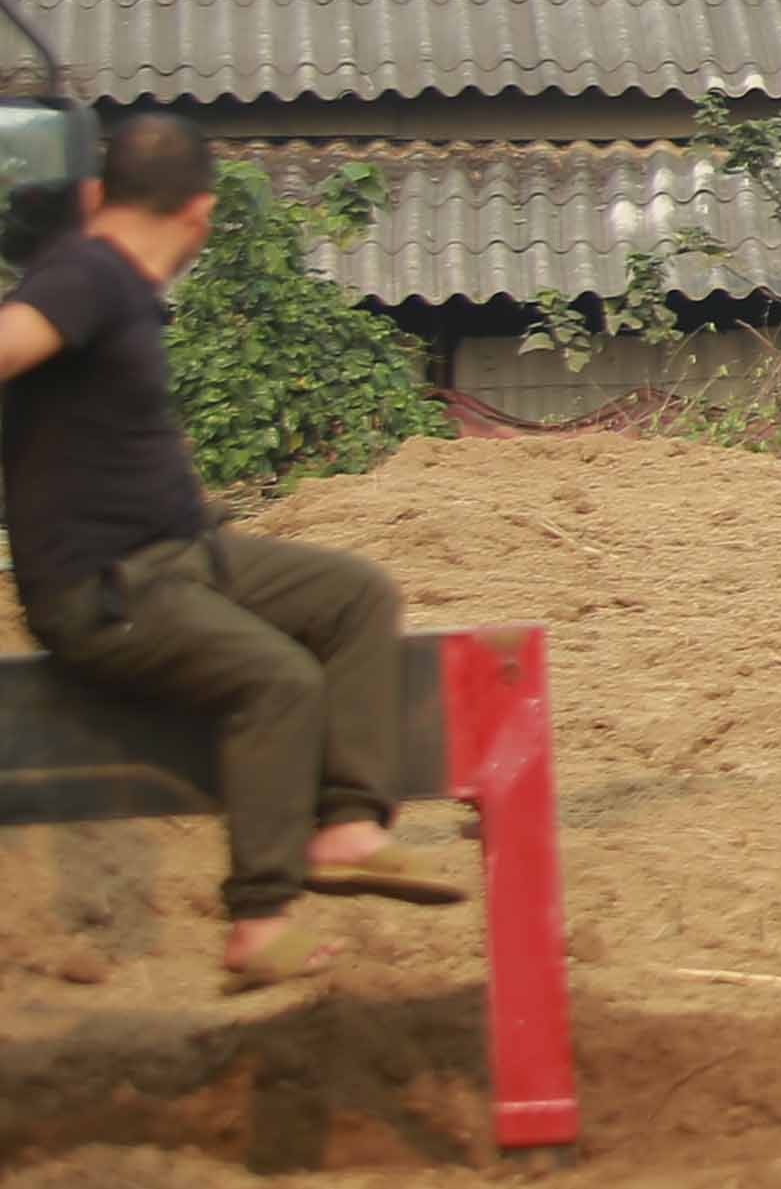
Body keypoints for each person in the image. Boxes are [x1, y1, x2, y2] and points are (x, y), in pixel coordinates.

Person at [0, 110, 462, 985]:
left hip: (177, 556)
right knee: (277, 680)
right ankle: (259, 917)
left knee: (354, 595)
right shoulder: (87, 277)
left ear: (102, 190)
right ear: (200, 215)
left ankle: (350, 825)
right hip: (107, 588)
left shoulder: (111, 281)